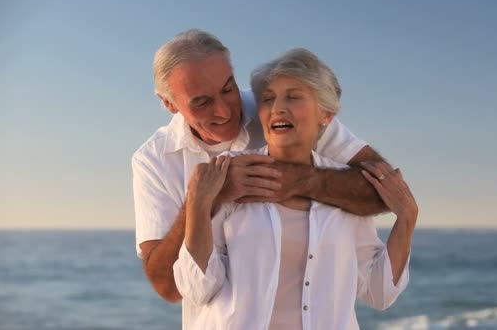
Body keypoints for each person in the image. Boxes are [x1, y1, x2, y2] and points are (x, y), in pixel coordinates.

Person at [132, 29, 392, 307]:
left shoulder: (282, 108)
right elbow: (168, 287)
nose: (223, 111)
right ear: (169, 104)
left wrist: (293, 180)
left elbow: (384, 191)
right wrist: (207, 198)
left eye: (227, 89)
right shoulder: (154, 159)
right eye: (202, 102)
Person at [173, 48, 418, 329]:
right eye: (268, 99)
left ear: (326, 114)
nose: (277, 107)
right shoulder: (229, 172)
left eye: (293, 96)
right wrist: (198, 203)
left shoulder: (344, 187)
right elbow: (196, 289)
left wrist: (407, 218)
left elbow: (379, 292)